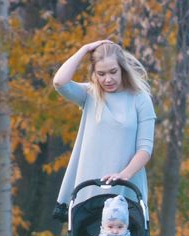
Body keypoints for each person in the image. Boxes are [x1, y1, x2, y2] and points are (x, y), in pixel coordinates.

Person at [51, 39, 156, 219]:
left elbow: (145, 149)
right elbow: (60, 82)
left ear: (123, 68)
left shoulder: (140, 99)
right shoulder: (90, 95)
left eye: (113, 72)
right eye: (101, 73)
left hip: (126, 189)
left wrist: (123, 175)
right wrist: (84, 49)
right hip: (89, 191)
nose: (108, 79)